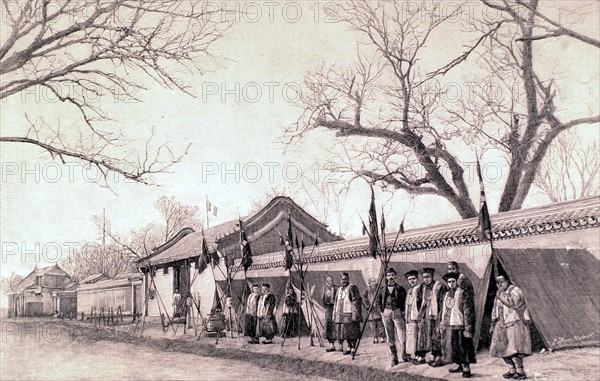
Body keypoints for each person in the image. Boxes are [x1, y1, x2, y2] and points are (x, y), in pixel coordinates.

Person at [490, 274, 532, 380]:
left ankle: (520, 371)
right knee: (501, 349)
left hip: (514, 322)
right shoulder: (499, 293)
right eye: (497, 282)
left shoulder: (515, 291)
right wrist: (493, 322)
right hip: (501, 323)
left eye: (502, 282)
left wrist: (501, 294)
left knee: (513, 350)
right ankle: (512, 370)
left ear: (507, 281)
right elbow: (495, 309)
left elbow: (514, 303)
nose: (499, 284)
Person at [439, 272, 476, 378]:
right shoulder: (445, 295)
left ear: (457, 282)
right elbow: (442, 310)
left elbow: (468, 312)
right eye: (449, 282)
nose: (451, 284)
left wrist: (468, 328)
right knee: (452, 347)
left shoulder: (463, 293)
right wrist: (441, 324)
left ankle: (466, 368)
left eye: (453, 281)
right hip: (448, 325)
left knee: (462, 347)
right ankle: (458, 365)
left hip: (460, 325)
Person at [415, 267, 447, 366]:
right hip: (425, 315)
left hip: (436, 314)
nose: (426, 279)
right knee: (423, 335)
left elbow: (443, 302)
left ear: (432, 276)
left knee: (436, 335)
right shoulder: (421, 288)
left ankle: (437, 356)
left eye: (428, 277)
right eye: (424, 277)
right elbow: (419, 302)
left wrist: (440, 314)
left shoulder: (439, 287)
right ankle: (423, 355)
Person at [377, 267, 408, 367]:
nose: (391, 277)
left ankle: (404, 355)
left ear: (395, 276)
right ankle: (394, 358)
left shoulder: (400, 288)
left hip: (397, 312)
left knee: (402, 336)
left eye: (392, 275)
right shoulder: (382, 289)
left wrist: (402, 312)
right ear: (386, 277)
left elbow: (405, 301)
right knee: (390, 337)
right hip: (386, 312)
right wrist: (381, 312)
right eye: (389, 275)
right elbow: (378, 301)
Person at [333, 272, 362, 356]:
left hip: (350, 314)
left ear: (348, 279)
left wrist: (355, 313)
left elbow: (356, 300)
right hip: (342, 314)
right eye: (342, 279)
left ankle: (353, 348)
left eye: (345, 279)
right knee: (345, 333)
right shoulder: (339, 289)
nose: (344, 281)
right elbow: (336, 302)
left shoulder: (352, 287)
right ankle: (349, 347)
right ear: (340, 280)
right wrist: (335, 314)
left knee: (353, 332)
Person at [404, 269, 421, 362]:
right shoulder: (410, 290)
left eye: (413, 278)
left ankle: (419, 354)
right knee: (411, 336)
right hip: (410, 317)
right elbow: (408, 304)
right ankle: (412, 354)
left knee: (418, 336)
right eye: (410, 279)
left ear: (417, 279)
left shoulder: (420, 289)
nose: (412, 281)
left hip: (417, 317)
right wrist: (406, 316)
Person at [363, 277, 385, 344]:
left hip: (378, 309)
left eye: (374, 281)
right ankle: (375, 337)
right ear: (369, 283)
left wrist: (380, 307)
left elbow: (382, 298)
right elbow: (364, 300)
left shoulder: (379, 289)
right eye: (371, 282)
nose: (373, 283)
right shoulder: (366, 290)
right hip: (370, 310)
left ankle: (381, 337)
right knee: (372, 324)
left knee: (380, 324)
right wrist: (368, 307)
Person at [322, 276, 338, 352]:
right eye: (328, 281)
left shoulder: (336, 288)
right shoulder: (324, 288)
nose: (330, 282)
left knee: (336, 325)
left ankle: (340, 345)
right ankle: (331, 344)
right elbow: (323, 299)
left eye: (331, 281)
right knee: (329, 325)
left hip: (335, 309)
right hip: (328, 309)